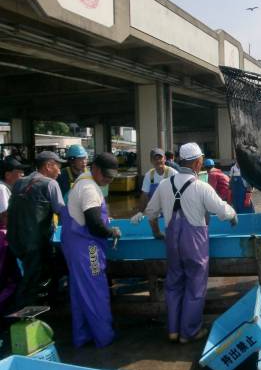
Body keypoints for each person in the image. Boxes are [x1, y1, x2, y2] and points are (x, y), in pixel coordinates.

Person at [143, 142, 237, 343]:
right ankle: (189, 332)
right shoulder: (201, 187)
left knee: (174, 283)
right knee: (195, 285)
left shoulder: (163, 185)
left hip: (172, 241)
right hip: (194, 243)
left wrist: (157, 232)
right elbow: (222, 209)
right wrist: (233, 215)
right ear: (196, 163)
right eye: (201, 160)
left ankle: (173, 331)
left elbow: (150, 213)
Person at [60, 152, 121, 348]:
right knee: (96, 291)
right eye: (106, 176)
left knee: (79, 293)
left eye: (112, 177)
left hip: (74, 244)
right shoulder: (90, 189)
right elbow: (95, 225)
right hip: (87, 248)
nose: (108, 180)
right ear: (94, 169)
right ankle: (104, 336)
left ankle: (82, 335)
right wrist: (111, 231)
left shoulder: (82, 181)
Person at [7, 151, 65, 308]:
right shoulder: (50, 184)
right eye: (58, 166)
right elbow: (62, 212)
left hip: (15, 240)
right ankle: (24, 316)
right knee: (32, 281)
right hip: (36, 242)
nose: (60, 171)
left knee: (30, 274)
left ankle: (46, 301)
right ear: (48, 166)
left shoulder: (19, 182)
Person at [0, 157, 25, 313]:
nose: (22, 175)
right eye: (19, 172)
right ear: (8, 174)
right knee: (8, 280)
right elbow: (4, 216)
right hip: (2, 240)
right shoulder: (2, 189)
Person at [130, 148, 178, 224]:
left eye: (160, 158)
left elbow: (180, 194)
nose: (158, 161)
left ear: (165, 159)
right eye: (155, 159)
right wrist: (140, 212)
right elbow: (144, 196)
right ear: (151, 161)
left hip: (171, 212)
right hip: (155, 212)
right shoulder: (149, 175)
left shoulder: (173, 173)